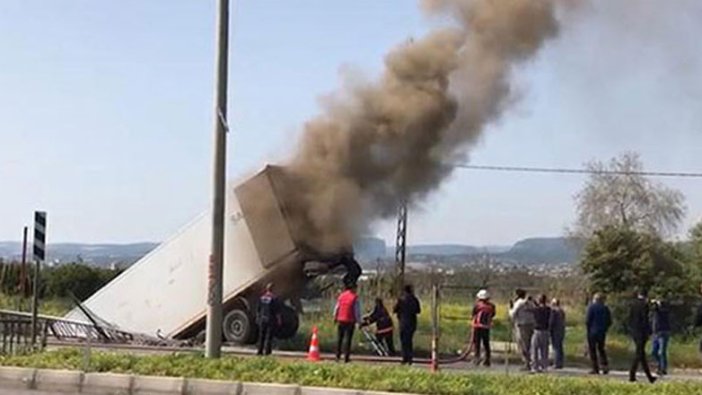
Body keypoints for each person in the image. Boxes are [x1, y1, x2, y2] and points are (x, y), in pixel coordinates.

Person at [628, 290, 657, 383]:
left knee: (641, 354)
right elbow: (645, 319)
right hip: (641, 332)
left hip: (634, 331)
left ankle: (649, 377)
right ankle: (632, 374)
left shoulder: (633, 304)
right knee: (639, 354)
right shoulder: (644, 305)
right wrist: (648, 331)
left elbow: (630, 318)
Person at [334, 282, 362, 363]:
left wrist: (335, 317)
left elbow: (337, 307)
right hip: (350, 320)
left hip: (340, 319)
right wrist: (359, 322)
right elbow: (357, 311)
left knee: (339, 338)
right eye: (356, 288)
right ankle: (346, 358)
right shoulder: (354, 297)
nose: (356, 290)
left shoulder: (341, 296)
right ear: (353, 288)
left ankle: (337, 356)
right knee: (348, 339)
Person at [394, 284, 421, 365]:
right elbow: (418, 310)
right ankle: (410, 358)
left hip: (402, 322)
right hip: (412, 323)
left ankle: (404, 357)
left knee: (403, 341)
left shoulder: (401, 300)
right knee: (409, 340)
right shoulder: (415, 299)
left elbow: (395, 309)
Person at [585, 293, 612, 375]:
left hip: (592, 331)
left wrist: (588, 329)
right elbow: (609, 321)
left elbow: (588, 320)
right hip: (602, 332)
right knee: (601, 349)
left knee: (592, 350)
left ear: (595, 299)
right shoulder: (605, 308)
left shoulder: (591, 307)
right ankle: (605, 366)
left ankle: (595, 368)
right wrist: (605, 328)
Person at [509, 289, 535, 371]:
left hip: (521, 325)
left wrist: (510, 307)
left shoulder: (519, 303)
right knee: (529, 344)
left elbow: (512, 314)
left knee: (522, 344)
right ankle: (531, 362)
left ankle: (526, 363)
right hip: (531, 324)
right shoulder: (530, 303)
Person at [472, 289, 496, 367]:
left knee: (477, 343)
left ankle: (477, 358)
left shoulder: (477, 306)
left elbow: (473, 314)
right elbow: (493, 314)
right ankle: (487, 360)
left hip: (477, 326)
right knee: (486, 344)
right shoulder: (491, 306)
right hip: (486, 327)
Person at [256, 282, 281, 356]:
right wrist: (279, 320)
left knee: (261, 336)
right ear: (273, 290)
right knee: (269, 337)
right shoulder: (274, 299)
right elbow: (277, 311)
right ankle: (267, 352)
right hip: (270, 320)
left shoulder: (262, 298)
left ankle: (259, 351)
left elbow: (258, 309)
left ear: (267, 289)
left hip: (262, 319)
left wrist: (258, 318)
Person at [530, 294, 551, 373]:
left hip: (537, 330)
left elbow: (534, 309)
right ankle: (544, 366)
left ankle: (535, 367)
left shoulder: (536, 309)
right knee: (544, 350)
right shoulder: (548, 309)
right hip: (545, 330)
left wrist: (533, 301)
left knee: (534, 349)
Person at [651, 297, 671, 376]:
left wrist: (657, 303)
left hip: (663, 332)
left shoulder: (664, 311)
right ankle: (659, 365)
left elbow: (658, 309)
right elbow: (653, 309)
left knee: (662, 352)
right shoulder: (655, 313)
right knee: (654, 352)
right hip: (655, 333)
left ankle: (663, 368)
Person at [549, 298, 566, 369]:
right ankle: (560, 362)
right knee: (560, 347)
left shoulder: (554, 311)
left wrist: (549, 329)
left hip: (555, 330)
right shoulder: (562, 311)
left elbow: (552, 321)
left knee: (556, 347)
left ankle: (556, 363)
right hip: (561, 330)